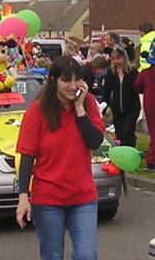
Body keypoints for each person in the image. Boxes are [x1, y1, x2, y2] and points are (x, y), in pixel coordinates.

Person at [16, 56, 104, 260]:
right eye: (66, 80)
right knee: (53, 255)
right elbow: (27, 156)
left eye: (77, 80)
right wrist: (22, 197)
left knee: (87, 255)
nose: (73, 86)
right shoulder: (37, 110)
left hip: (83, 197)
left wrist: (80, 109)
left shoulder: (88, 103)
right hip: (48, 199)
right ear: (54, 80)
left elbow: (95, 141)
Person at [103, 46, 140, 147]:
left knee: (128, 131)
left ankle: (131, 150)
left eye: (118, 58)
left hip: (132, 108)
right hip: (117, 109)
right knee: (119, 134)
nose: (116, 61)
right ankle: (122, 153)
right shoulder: (111, 73)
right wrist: (105, 107)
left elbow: (138, 88)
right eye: (113, 59)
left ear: (124, 58)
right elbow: (106, 91)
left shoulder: (133, 73)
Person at [134, 40, 155, 172]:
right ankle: (151, 160)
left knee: (153, 131)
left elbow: (137, 86)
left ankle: (151, 159)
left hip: (150, 103)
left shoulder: (146, 72)